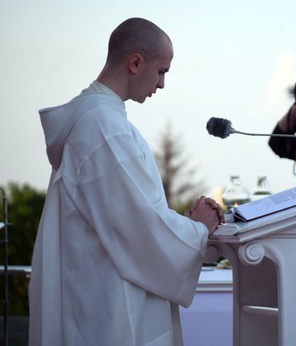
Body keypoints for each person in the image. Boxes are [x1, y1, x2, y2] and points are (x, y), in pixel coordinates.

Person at [29, 18, 225, 346]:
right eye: (162, 71)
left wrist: (183, 226)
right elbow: (140, 229)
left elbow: (131, 217)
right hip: (105, 309)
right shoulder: (104, 127)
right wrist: (200, 229)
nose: (161, 84)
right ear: (135, 62)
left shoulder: (98, 120)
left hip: (95, 293)